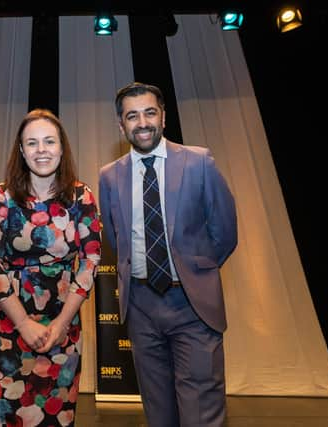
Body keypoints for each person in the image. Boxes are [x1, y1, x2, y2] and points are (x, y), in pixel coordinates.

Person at [98, 83, 237, 427]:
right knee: (158, 411)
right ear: (121, 125)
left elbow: (225, 232)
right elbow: (115, 241)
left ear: (163, 116)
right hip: (141, 306)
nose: (142, 122)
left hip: (192, 305)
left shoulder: (198, 162)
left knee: (201, 408)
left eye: (149, 112)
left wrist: (195, 272)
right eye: (132, 116)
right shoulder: (109, 176)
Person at [0, 109, 101, 427]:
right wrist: (23, 323)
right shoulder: (2, 196)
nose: (41, 149)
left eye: (49, 141)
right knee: (8, 417)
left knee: (57, 415)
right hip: (6, 327)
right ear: (21, 150)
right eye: (32, 143)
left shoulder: (81, 196)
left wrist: (61, 323)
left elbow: (90, 260)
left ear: (62, 147)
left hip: (63, 326)